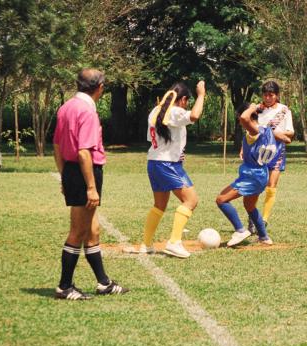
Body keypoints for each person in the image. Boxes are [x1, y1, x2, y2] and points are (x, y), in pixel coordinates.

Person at [53, 68, 128, 300]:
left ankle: (103, 283)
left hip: (72, 171)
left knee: (93, 229)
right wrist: (91, 186)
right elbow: (84, 152)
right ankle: (64, 286)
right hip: (86, 172)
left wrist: (65, 176)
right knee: (78, 231)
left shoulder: (66, 107)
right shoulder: (87, 111)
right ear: (100, 88)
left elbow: (56, 147)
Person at [130, 81, 206, 259]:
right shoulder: (175, 111)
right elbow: (194, 116)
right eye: (187, 101)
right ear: (184, 99)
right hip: (168, 164)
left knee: (160, 205)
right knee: (191, 201)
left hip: (154, 162)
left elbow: (155, 139)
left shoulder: (155, 111)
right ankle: (174, 242)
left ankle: (147, 244)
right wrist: (201, 94)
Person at [216, 103, 291, 247]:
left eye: (238, 118)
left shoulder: (253, 129)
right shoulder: (266, 129)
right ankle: (264, 237)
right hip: (261, 174)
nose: (240, 121)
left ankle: (240, 230)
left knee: (221, 200)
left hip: (251, 176)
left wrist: (252, 107)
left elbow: (245, 118)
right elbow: (286, 139)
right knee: (249, 205)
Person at [245, 81, 294, 234]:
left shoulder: (284, 111)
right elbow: (250, 130)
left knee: (271, 185)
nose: (267, 98)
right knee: (258, 185)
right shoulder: (258, 110)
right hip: (259, 152)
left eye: (271, 95)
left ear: (277, 95)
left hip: (278, 150)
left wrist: (277, 135)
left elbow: (290, 133)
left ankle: (263, 220)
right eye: (265, 95)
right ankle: (253, 216)